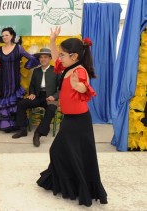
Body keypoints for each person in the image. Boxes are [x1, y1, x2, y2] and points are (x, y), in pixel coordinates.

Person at [36, 27, 107, 206]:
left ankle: (74, 186)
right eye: (60, 54)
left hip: (79, 121)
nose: (59, 58)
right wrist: (52, 41)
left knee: (59, 150)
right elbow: (54, 58)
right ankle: (70, 184)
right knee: (69, 153)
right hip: (70, 118)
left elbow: (86, 88)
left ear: (74, 56)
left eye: (62, 55)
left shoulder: (79, 71)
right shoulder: (68, 67)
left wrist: (78, 86)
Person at [0, 27, 39, 132]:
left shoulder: (18, 48)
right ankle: (6, 125)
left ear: (12, 36)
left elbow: (31, 58)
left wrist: (27, 66)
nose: (4, 37)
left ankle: (16, 124)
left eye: (6, 35)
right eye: (3, 35)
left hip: (15, 80)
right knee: (5, 101)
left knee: (14, 101)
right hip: (3, 81)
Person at [12, 48, 60, 147]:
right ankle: (22, 130)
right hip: (38, 96)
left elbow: (61, 88)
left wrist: (54, 96)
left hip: (50, 97)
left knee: (51, 109)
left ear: (50, 58)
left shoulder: (56, 71)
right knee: (22, 103)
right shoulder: (36, 71)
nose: (43, 59)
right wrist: (32, 93)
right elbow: (32, 85)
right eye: (41, 57)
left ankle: (38, 134)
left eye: (45, 57)